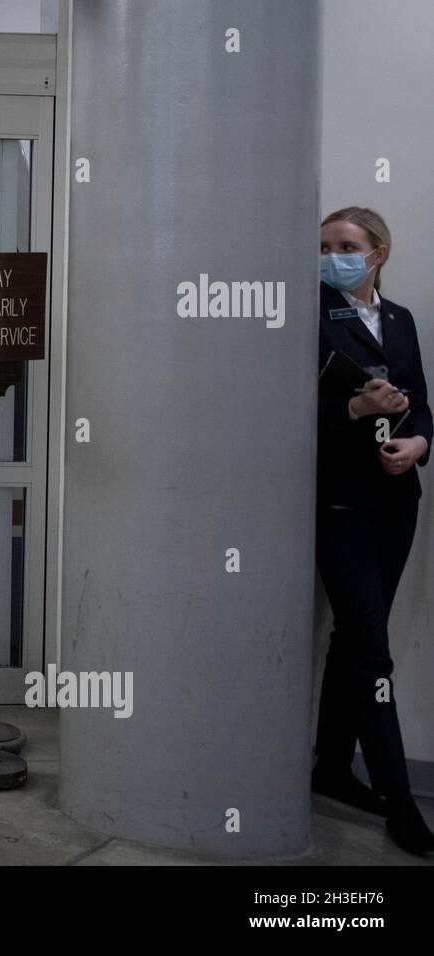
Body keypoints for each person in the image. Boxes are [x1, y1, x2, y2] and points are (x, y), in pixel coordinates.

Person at [314, 206, 434, 856]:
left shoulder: (401, 319)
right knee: (373, 654)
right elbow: (289, 402)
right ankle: (397, 801)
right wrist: (357, 406)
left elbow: (424, 406)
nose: (334, 255)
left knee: (353, 642)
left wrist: (417, 442)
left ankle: (332, 768)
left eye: (348, 245)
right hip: (340, 507)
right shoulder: (308, 314)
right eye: (327, 245)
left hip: (396, 501)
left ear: (378, 252)